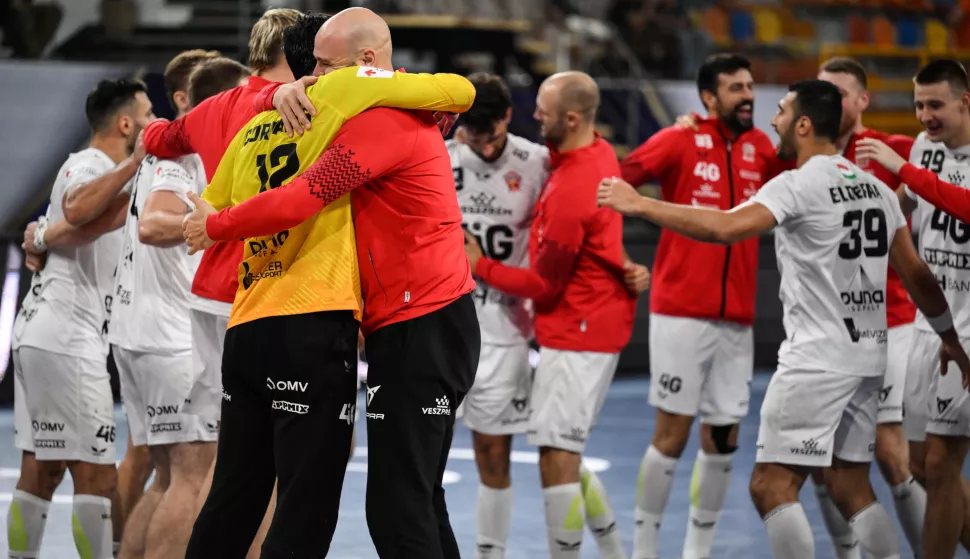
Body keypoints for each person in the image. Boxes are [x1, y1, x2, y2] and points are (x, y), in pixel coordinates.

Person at [599, 78, 970, 559]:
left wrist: (639, 203)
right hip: (869, 358)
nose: (772, 120)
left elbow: (725, 227)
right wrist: (949, 338)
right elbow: (917, 273)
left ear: (803, 124)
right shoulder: (878, 190)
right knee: (851, 485)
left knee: (770, 485)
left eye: (781, 111)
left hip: (815, 360)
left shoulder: (796, 185)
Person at [180, 8, 478, 558]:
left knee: (388, 506)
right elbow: (459, 90)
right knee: (368, 504)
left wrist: (214, 224)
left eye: (327, 66)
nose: (316, 77)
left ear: (364, 64)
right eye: (312, 65)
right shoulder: (344, 107)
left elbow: (282, 195)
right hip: (334, 321)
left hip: (405, 319)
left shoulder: (350, 114)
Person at [451, 72, 638, 559]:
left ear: (507, 119)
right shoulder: (440, 158)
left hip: (510, 330)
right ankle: (612, 549)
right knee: (557, 450)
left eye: (491, 135)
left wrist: (481, 266)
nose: (483, 146)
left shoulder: (539, 163)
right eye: (472, 135)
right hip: (445, 327)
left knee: (542, 453)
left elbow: (588, 214)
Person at [138, 10, 303, 558]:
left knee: (221, 461)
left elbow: (158, 136)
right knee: (268, 465)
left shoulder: (212, 108)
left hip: (210, 292)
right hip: (264, 290)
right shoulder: (301, 101)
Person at [618, 53, 777, 559]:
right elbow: (619, 178)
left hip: (738, 317)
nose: (748, 96)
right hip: (681, 312)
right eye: (736, 88)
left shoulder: (761, 148)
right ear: (709, 97)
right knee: (672, 433)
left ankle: (697, 552)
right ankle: (645, 550)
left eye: (750, 86)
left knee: (723, 436)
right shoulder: (678, 139)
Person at [109, 56, 250, 559]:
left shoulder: (167, 148)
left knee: (167, 476)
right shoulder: (185, 153)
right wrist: (219, 224)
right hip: (169, 338)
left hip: (141, 331)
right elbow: (153, 224)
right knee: (192, 475)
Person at [8, 78, 153, 559]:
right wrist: (135, 164)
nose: (153, 123)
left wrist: (41, 235)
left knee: (42, 470)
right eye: (147, 114)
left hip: (50, 333)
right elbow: (76, 208)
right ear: (126, 124)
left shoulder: (108, 174)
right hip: (66, 338)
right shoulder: (90, 164)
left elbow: (78, 224)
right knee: (97, 476)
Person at [856, 59, 970, 559]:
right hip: (931, 326)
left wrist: (903, 169)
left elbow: (962, 205)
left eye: (935, 104)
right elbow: (905, 203)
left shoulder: (922, 158)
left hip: (968, 328)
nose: (925, 116)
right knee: (921, 465)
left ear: (965, 102)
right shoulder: (925, 148)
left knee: (943, 464)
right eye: (918, 105)